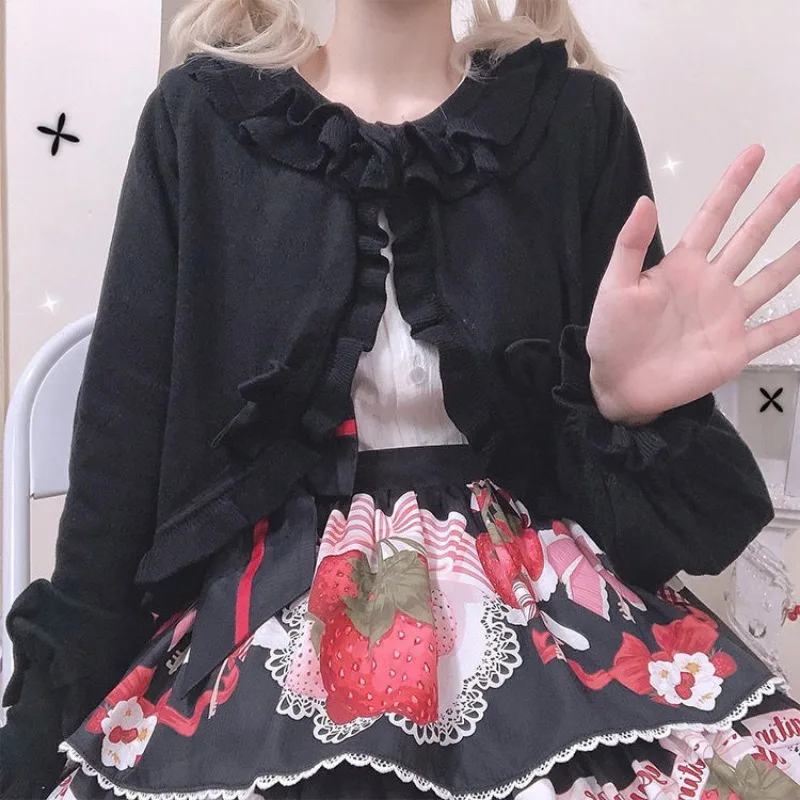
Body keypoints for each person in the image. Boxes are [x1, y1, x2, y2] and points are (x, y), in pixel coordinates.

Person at [2, 0, 800, 797]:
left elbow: (647, 540)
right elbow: (119, 468)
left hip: (547, 622)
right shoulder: (200, 119)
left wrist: (627, 409)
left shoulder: (574, 121)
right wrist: (37, 739)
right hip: (261, 632)